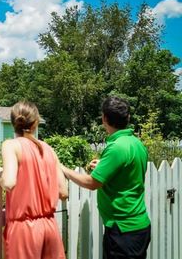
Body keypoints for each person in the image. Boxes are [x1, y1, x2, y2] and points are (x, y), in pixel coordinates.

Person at [61, 96, 151, 259]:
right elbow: (127, 171)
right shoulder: (136, 143)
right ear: (128, 118)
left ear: (104, 119)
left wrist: (63, 169)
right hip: (139, 226)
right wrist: (104, 165)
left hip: (123, 231)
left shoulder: (116, 147)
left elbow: (92, 183)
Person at [0, 101, 68, 259]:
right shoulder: (48, 149)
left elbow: (9, 183)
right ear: (36, 123)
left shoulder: (11, 145)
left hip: (24, 231)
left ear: (14, 122)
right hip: (50, 228)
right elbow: (63, 192)